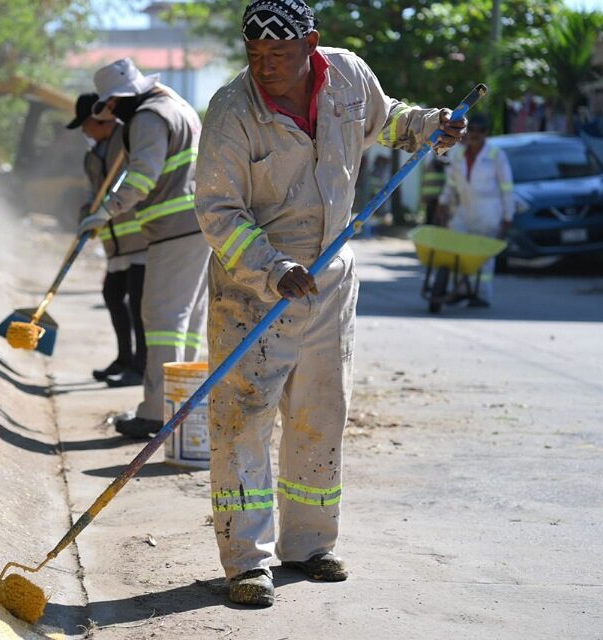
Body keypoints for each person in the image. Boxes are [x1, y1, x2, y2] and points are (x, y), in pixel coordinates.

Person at [194, 0, 464, 607]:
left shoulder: (346, 76)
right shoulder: (233, 111)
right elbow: (217, 210)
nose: (265, 66)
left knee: (321, 413)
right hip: (253, 286)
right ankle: (246, 561)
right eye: (254, 54)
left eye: (279, 54)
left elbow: (387, 119)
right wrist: (273, 266)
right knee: (243, 422)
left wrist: (429, 126)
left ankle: (310, 545)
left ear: (311, 43)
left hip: (332, 278)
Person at [78, 58, 208, 438]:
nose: (114, 115)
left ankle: (156, 413)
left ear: (121, 97)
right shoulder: (179, 107)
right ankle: (179, 408)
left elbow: (141, 177)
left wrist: (105, 211)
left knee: (162, 321)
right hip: (200, 227)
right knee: (185, 324)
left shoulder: (148, 117)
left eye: (114, 106)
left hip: (174, 231)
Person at [66, 92, 148, 386]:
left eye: (85, 124)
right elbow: (94, 191)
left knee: (139, 304)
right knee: (113, 296)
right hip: (114, 243)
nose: (85, 131)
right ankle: (124, 358)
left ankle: (141, 366)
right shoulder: (93, 156)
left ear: (99, 118)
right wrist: (87, 211)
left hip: (139, 239)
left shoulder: (126, 141)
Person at [437, 113, 514, 306]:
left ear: (486, 133)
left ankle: (481, 295)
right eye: (471, 130)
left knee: (483, 256)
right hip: (466, 208)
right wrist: (444, 202)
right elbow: (451, 183)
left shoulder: (496, 155)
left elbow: (507, 188)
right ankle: (462, 288)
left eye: (480, 131)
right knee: (457, 249)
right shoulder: (458, 155)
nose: (475, 135)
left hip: (489, 211)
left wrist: (508, 216)